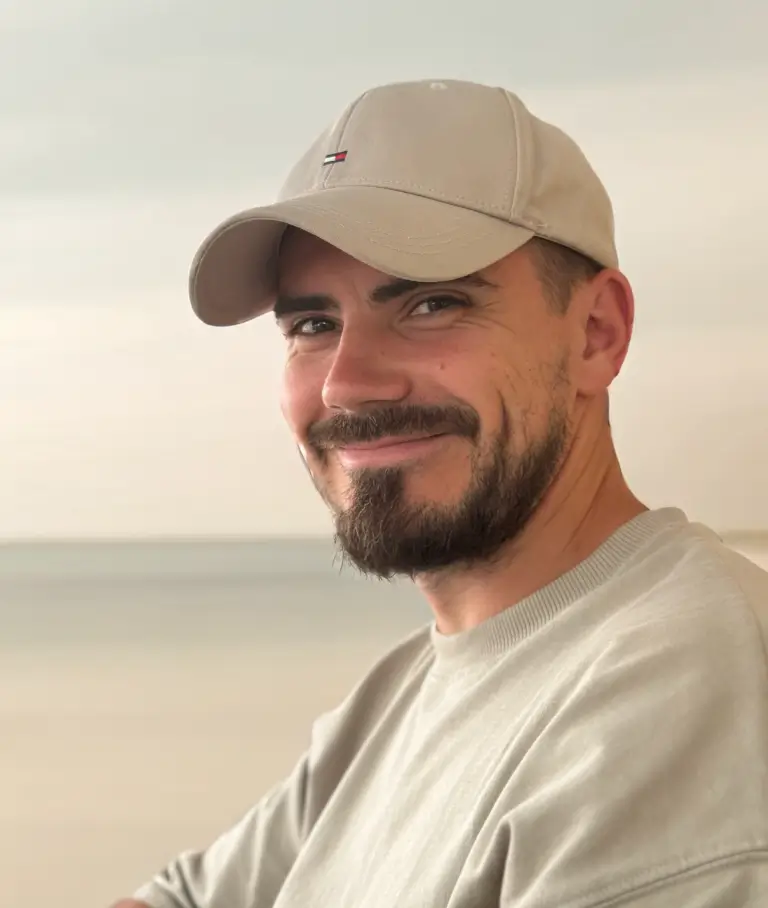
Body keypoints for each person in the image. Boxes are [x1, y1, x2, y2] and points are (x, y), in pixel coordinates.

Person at [114, 79, 768, 908]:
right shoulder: (403, 695)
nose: (348, 383)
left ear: (596, 334)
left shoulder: (677, 697)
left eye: (432, 303)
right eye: (313, 325)